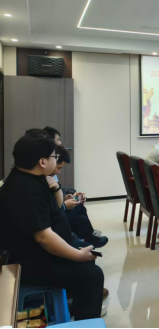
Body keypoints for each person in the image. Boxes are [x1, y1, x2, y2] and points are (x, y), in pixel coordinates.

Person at [0, 134, 104, 321]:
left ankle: (82, 306)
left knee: (86, 255)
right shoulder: (25, 189)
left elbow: (55, 209)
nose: (56, 161)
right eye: (54, 157)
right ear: (42, 161)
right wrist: (77, 255)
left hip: (39, 252)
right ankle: (85, 318)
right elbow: (44, 237)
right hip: (28, 262)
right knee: (92, 275)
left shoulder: (31, 177)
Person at [48, 146, 108, 249]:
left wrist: (65, 198)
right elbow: (50, 209)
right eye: (59, 168)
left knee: (81, 219)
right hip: (53, 221)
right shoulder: (44, 180)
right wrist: (64, 206)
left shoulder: (49, 177)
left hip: (56, 214)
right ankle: (91, 239)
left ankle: (86, 240)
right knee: (79, 208)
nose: (59, 172)